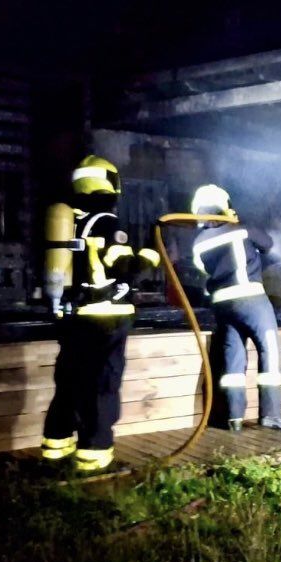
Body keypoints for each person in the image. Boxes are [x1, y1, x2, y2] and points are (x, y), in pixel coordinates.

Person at [41, 155, 160, 472]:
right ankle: (95, 458)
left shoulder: (73, 220)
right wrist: (150, 255)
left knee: (68, 383)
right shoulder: (106, 221)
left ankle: (56, 449)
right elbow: (124, 266)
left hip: (74, 316)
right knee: (102, 387)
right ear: (110, 183)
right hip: (105, 319)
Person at [190, 184, 281, 432]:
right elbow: (268, 244)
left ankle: (232, 418)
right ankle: (271, 415)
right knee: (270, 353)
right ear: (225, 206)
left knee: (233, 361)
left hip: (223, 307)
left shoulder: (199, 242)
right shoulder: (242, 229)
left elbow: (203, 271)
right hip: (252, 300)